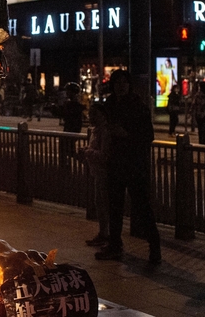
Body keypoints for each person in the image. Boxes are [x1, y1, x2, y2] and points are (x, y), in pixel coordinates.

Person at [94, 69, 161, 264]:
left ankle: (154, 246)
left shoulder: (138, 106)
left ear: (129, 85)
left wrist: (127, 134)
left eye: (124, 82)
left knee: (142, 207)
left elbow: (147, 136)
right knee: (114, 206)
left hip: (134, 165)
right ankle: (115, 244)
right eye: (117, 83)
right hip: (115, 163)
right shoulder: (110, 105)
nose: (120, 86)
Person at [78, 103, 111, 247]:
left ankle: (107, 235)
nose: (91, 117)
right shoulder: (95, 131)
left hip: (105, 173)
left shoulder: (105, 132)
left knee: (104, 204)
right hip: (97, 171)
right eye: (90, 114)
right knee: (100, 203)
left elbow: (104, 155)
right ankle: (103, 233)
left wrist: (87, 152)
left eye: (94, 114)